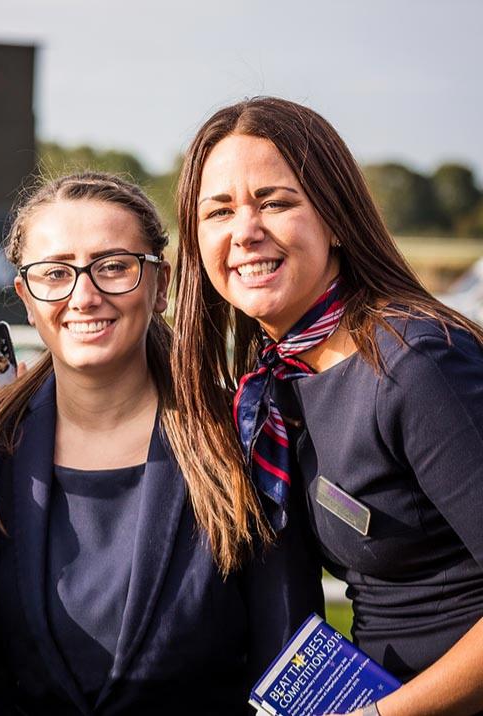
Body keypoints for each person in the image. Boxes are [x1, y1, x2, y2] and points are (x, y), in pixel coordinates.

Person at [0, 172, 323, 715]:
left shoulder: (239, 436)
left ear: (162, 283)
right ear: (26, 299)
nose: (85, 295)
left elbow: (288, 655)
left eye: (114, 266)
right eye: (55, 274)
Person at [173, 96, 483, 716]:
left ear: (336, 219)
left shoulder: (416, 365)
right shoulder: (274, 383)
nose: (245, 231)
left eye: (276, 201)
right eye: (219, 211)